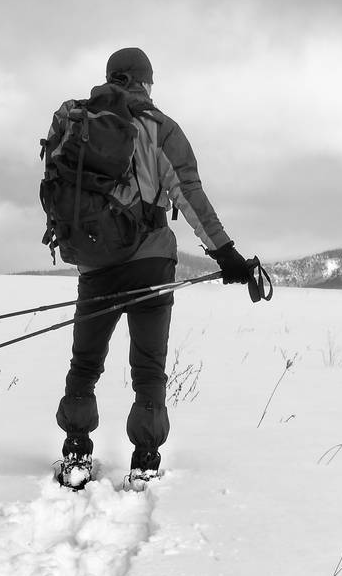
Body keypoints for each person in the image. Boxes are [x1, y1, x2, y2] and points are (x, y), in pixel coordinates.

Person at [49, 47, 257, 488]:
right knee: (148, 365)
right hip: (150, 262)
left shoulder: (76, 122)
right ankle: (144, 459)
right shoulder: (162, 129)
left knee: (85, 363)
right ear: (144, 81)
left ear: (110, 77)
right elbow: (190, 196)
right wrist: (225, 253)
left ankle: (76, 454)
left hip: (95, 262)